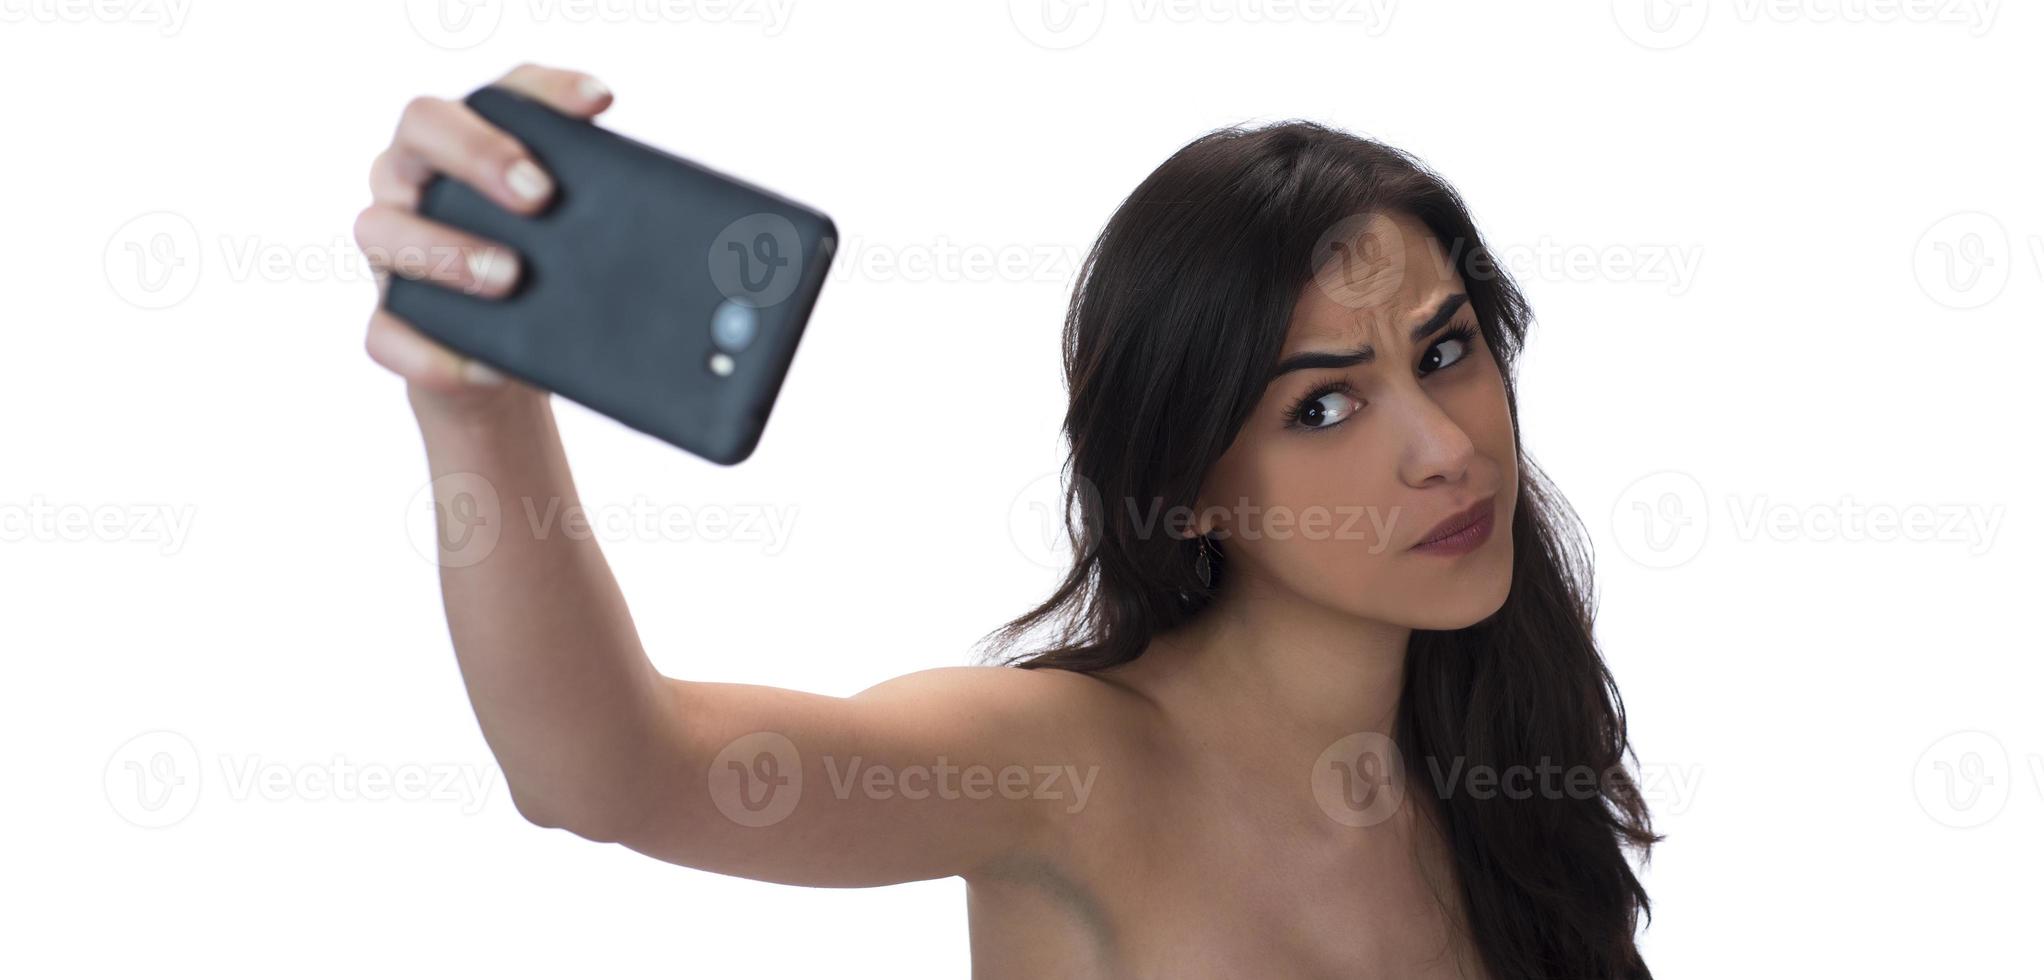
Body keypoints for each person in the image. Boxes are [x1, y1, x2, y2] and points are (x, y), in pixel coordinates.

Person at [353, 62, 1657, 979]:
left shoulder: (1500, 763)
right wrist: (477, 416)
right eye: (1321, 409)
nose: (1444, 450)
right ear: (1186, 474)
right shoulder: (1064, 766)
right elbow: (609, 773)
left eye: (1447, 352)